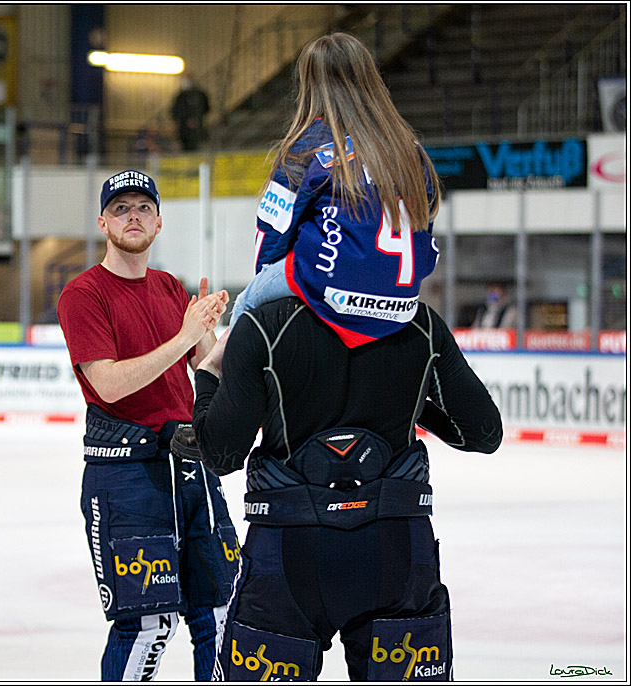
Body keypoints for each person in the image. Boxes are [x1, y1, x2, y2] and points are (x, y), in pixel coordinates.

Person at [179, 33, 504, 681]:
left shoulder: (303, 151)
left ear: (309, 85)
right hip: (399, 550)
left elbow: (271, 240)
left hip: (289, 555)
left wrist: (211, 369)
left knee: (248, 303)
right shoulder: (406, 154)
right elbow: (483, 433)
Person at [56, 169, 240, 681]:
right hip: (127, 475)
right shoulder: (83, 294)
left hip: (191, 467)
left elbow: (204, 366)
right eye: (120, 209)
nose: (132, 217)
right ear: (103, 223)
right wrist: (184, 336)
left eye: (143, 208)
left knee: (220, 613)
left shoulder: (169, 287)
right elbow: (109, 385)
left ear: (159, 222)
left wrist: (217, 331)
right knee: (147, 626)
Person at [227, 29, 442, 335]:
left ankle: (220, 368)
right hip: (400, 301)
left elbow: (272, 233)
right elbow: (425, 216)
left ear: (310, 85)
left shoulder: (309, 145)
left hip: (332, 292)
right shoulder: (410, 148)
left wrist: (267, 284)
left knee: (245, 303)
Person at [170, 75, 210, 152]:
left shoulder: (199, 94)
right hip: (184, 130)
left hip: (196, 130)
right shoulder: (180, 96)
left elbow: (206, 108)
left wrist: (196, 119)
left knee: (196, 147)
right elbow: (176, 111)